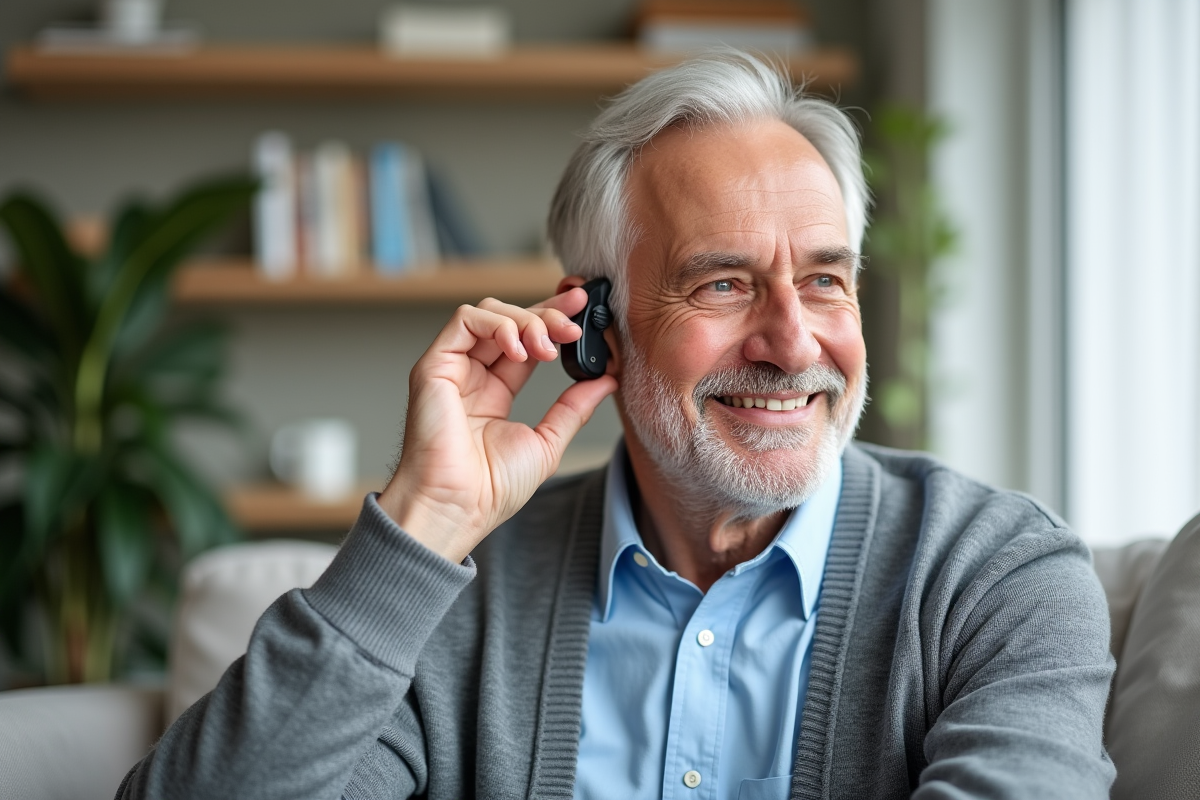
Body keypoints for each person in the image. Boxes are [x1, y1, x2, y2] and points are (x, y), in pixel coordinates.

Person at [117, 53, 1115, 800]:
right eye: (722, 281)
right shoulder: (456, 599)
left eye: (824, 278)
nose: (790, 338)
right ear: (595, 327)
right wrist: (423, 521)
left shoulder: (1001, 577)